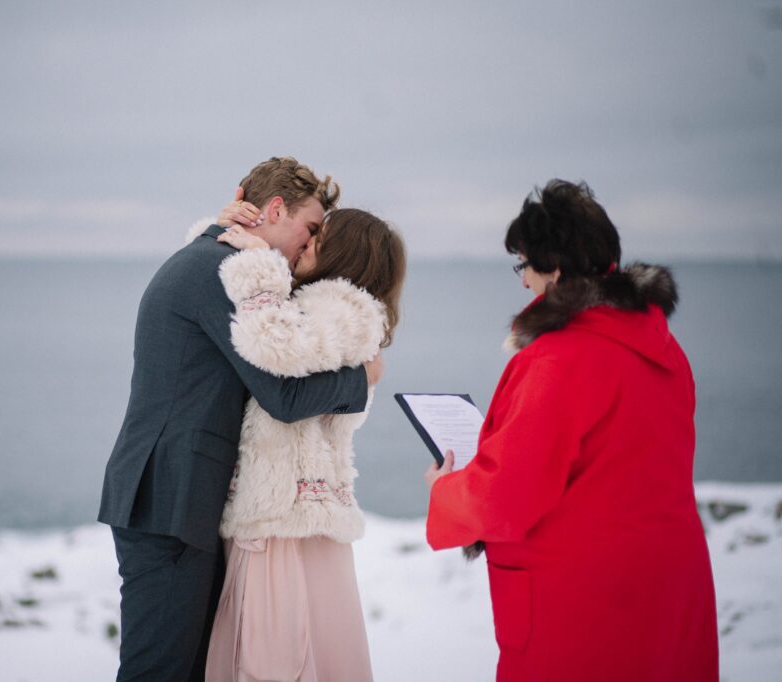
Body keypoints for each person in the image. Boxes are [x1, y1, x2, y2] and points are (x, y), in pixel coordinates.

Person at [97, 157, 383, 681]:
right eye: (311, 228)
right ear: (275, 209)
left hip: (175, 498)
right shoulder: (219, 270)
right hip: (171, 500)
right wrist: (361, 379)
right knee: (158, 670)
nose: (309, 243)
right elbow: (283, 395)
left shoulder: (211, 256)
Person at [423, 179, 718, 681]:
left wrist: (445, 491)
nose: (522, 282)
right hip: (668, 586)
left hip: (584, 601)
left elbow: (508, 494)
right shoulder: (665, 350)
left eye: (524, 265)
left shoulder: (556, 360)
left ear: (554, 268)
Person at [203, 204, 406, 681]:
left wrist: (255, 260)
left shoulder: (343, 307)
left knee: (267, 660)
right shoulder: (325, 306)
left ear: (347, 254)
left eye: (319, 237)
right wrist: (220, 229)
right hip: (293, 519)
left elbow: (274, 344)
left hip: (283, 521)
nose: (306, 243)